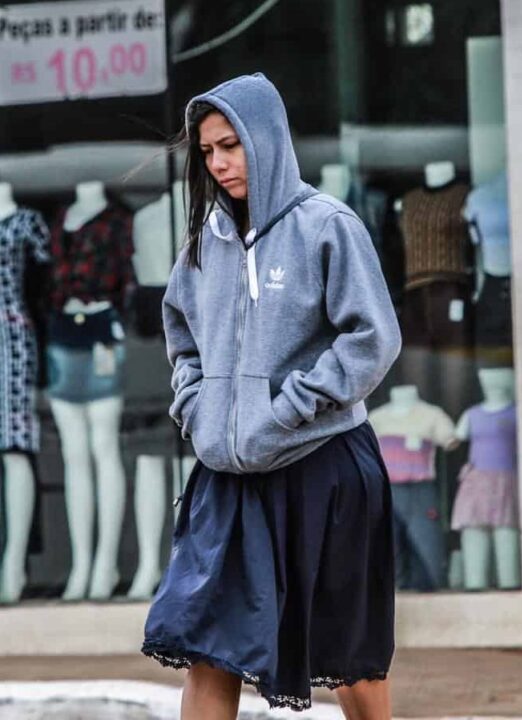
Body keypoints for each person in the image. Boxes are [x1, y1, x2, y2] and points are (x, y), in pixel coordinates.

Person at [141, 73, 401, 719]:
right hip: (226, 475)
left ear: (267, 139)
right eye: (207, 151)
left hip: (321, 463)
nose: (219, 162)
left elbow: (372, 339)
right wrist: (195, 405)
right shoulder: (208, 239)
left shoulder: (325, 225)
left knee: (349, 657)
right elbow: (183, 335)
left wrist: (288, 408)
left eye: (230, 144)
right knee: (205, 645)